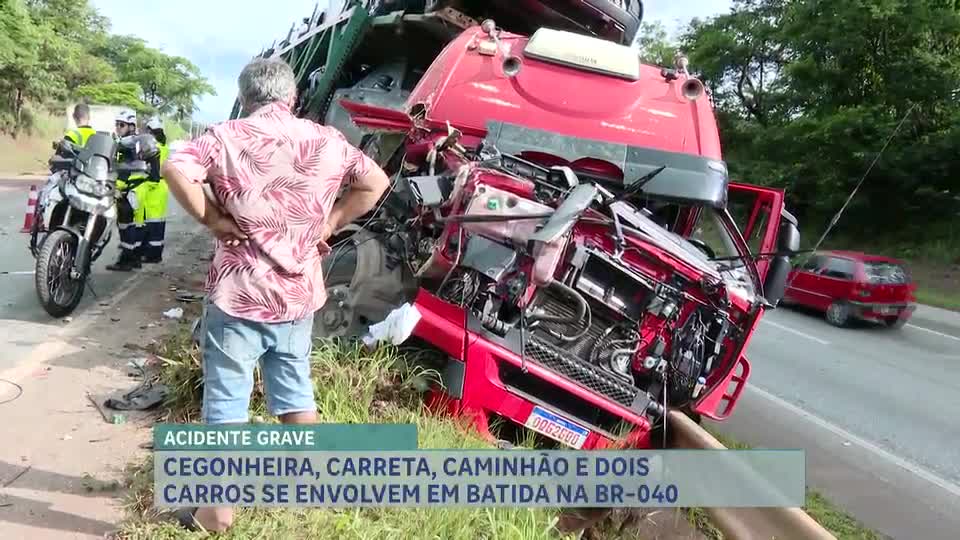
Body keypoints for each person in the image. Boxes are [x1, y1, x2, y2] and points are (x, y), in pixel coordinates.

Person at [161, 57, 390, 532]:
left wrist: (214, 219)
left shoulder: (224, 137)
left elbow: (175, 167)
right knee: (294, 386)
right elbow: (375, 182)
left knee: (227, 398)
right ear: (292, 97)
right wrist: (330, 222)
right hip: (298, 292)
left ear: (245, 97)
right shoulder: (327, 141)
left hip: (239, 291)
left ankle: (217, 512)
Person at [107, 109, 160, 271]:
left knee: (126, 225)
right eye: (117, 124)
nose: (118, 127)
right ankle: (134, 257)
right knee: (134, 225)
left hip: (132, 188)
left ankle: (127, 260)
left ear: (131, 126)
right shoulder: (133, 141)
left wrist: (116, 186)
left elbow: (124, 169)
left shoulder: (129, 144)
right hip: (136, 188)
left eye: (121, 125)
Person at [140, 117, 170, 263]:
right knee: (158, 221)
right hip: (162, 187)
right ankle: (155, 252)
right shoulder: (165, 147)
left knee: (150, 222)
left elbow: (151, 171)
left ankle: (152, 254)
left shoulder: (153, 148)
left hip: (153, 186)